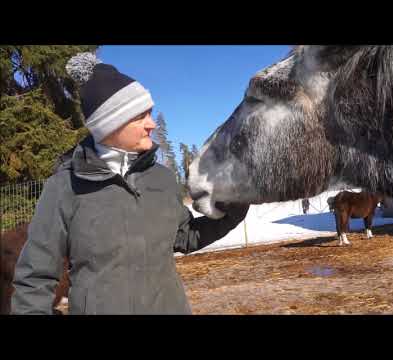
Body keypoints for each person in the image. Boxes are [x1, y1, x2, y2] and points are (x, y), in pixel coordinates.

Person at [11, 53, 249, 315]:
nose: (152, 123)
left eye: (150, 112)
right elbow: (35, 277)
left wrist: (234, 209)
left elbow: (186, 236)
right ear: (109, 124)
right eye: (140, 116)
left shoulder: (162, 178)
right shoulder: (65, 186)